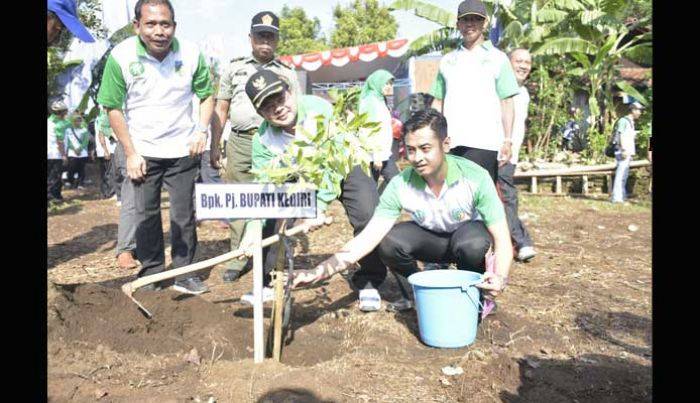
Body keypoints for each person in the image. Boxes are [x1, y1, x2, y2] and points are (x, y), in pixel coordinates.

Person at [291, 109, 513, 312]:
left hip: (466, 238)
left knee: (472, 244)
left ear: (445, 144)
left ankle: (472, 292)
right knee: (387, 241)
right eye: (411, 150)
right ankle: (420, 289)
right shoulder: (401, 184)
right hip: (431, 241)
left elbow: (502, 238)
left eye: (425, 149)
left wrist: (500, 278)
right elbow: (366, 239)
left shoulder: (475, 177)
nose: (417, 158)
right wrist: (318, 272)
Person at [237, 69, 386, 312]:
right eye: (267, 106)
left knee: (368, 214)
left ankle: (369, 279)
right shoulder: (263, 140)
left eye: (280, 99)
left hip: (345, 164)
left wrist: (318, 204)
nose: (278, 108)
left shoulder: (318, 109)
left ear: (290, 92)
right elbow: (264, 190)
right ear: (259, 113)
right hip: (303, 176)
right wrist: (252, 228)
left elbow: (334, 163)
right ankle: (269, 282)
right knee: (272, 216)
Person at [97, 0, 214, 294]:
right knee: (145, 214)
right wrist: (131, 151)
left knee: (183, 214)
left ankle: (184, 271)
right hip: (143, 151)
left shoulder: (191, 53)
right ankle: (152, 273)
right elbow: (112, 106)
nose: (159, 31)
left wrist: (201, 130)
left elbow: (206, 94)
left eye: (165, 24)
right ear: (137, 26)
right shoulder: (121, 56)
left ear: (174, 26)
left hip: (183, 149)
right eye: (151, 24)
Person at [210, 11, 301, 283]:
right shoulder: (233, 68)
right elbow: (221, 107)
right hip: (240, 140)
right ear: (250, 38)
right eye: (260, 35)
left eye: (270, 36)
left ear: (277, 40)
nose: (265, 41)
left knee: (274, 199)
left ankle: (273, 259)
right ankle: (240, 258)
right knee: (241, 199)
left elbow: (295, 108)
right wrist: (215, 145)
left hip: (276, 142)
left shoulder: (286, 72)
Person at [429, 0, 519, 183]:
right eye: (465, 20)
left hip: (484, 142)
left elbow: (507, 102)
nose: (470, 24)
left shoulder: (498, 59)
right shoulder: (447, 61)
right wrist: (433, 137)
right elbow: (437, 102)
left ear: (484, 23)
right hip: (451, 143)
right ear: (458, 24)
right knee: (454, 200)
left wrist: (508, 140)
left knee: (478, 200)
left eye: (475, 19)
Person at [498, 49, 536, 262]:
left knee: (505, 199)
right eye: (518, 61)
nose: (524, 66)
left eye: (527, 62)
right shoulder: (499, 90)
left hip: (509, 156)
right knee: (506, 198)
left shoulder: (524, 93)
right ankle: (521, 242)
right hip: (497, 153)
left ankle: (519, 242)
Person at [358, 69, 399, 190]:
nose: (389, 87)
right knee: (395, 183)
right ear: (377, 83)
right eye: (386, 83)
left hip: (383, 154)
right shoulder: (370, 102)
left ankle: (381, 206)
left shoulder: (380, 99)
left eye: (391, 83)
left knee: (395, 183)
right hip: (373, 156)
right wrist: (376, 155)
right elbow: (367, 129)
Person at [611, 102, 644, 203]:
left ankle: (622, 196)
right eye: (638, 110)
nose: (640, 113)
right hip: (622, 152)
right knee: (620, 175)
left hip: (627, 152)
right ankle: (616, 198)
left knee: (624, 175)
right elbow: (619, 135)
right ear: (633, 110)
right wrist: (623, 150)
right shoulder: (623, 121)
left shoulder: (631, 122)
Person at [47, 101, 71, 201]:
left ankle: (53, 196)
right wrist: (64, 155)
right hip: (56, 154)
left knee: (50, 176)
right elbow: (60, 141)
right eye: (65, 112)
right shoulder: (59, 125)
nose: (66, 113)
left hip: (49, 154)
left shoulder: (49, 121)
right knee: (55, 176)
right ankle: (54, 196)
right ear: (60, 112)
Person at [95, 107, 117, 199]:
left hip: (102, 150)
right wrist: (106, 151)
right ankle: (110, 193)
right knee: (110, 173)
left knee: (105, 173)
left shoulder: (98, 118)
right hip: (107, 150)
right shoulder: (103, 118)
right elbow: (101, 135)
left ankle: (105, 193)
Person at [64, 113, 90, 189]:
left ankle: (80, 184)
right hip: (72, 153)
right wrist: (74, 149)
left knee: (81, 169)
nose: (77, 122)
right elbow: (67, 141)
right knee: (71, 168)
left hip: (82, 153)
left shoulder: (84, 130)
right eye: (76, 121)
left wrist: (80, 149)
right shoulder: (68, 130)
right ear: (73, 121)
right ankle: (70, 182)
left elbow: (86, 141)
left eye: (79, 121)